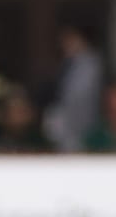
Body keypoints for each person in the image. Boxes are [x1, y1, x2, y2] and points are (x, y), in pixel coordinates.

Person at [42, 23, 102, 153]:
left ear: (81, 39)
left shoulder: (90, 64)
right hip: (66, 129)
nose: (65, 45)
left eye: (69, 40)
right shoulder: (70, 63)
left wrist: (61, 120)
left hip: (80, 129)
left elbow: (78, 100)